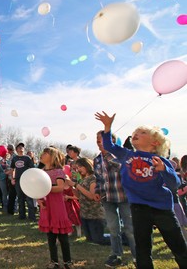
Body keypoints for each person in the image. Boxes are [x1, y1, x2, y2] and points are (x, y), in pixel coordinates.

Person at [95, 111, 187, 268]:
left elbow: (175, 184)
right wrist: (107, 126)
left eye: (142, 133)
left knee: (178, 246)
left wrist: (163, 169)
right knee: (142, 249)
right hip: (138, 208)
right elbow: (109, 145)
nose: (135, 134)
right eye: (134, 133)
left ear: (155, 143)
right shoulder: (126, 154)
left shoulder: (161, 160)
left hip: (162, 209)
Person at [94, 130, 136, 267]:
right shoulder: (96, 159)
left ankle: (137, 255)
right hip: (108, 198)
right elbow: (99, 178)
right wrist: (98, 191)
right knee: (113, 228)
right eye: (97, 139)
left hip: (124, 196)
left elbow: (121, 168)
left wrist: (108, 155)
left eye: (101, 139)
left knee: (130, 228)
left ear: (110, 140)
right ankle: (116, 254)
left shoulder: (121, 155)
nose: (98, 142)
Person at [38, 147, 74, 269]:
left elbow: (60, 187)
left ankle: (67, 262)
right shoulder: (41, 172)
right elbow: (35, 189)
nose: (41, 154)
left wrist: (45, 189)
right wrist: (38, 199)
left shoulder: (58, 171)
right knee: (50, 236)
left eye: (45, 152)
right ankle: (54, 262)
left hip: (57, 206)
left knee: (62, 236)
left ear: (52, 157)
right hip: (46, 206)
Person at [65, 157, 110, 246]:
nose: (78, 170)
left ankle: (120, 238)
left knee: (98, 240)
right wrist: (72, 187)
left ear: (87, 166)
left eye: (80, 167)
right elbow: (79, 196)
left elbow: (91, 196)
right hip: (85, 214)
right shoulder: (82, 179)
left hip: (95, 215)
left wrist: (76, 185)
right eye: (77, 168)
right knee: (90, 239)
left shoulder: (93, 178)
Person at [10, 142, 36, 221]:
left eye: (22, 147)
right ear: (17, 149)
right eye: (20, 147)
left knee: (29, 198)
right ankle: (22, 216)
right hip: (18, 180)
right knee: (20, 198)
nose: (21, 148)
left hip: (26, 180)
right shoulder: (14, 158)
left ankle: (31, 217)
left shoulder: (27, 158)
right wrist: (12, 179)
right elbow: (12, 169)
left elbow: (32, 168)